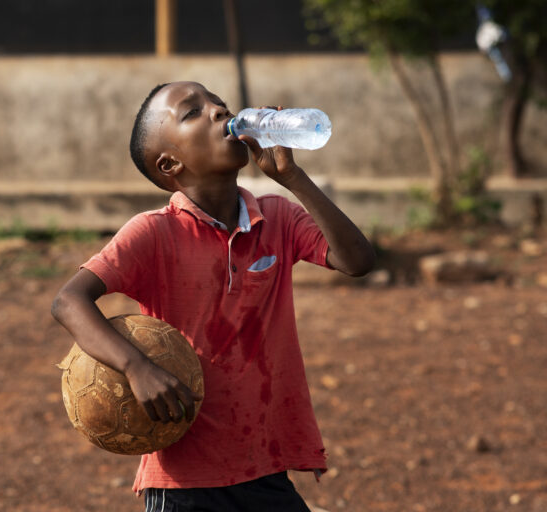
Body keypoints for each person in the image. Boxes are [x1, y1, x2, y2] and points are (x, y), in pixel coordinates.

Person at [51, 81, 375, 511]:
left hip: (265, 464)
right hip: (183, 480)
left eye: (218, 103)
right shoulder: (153, 233)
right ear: (170, 164)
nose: (220, 111)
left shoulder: (276, 217)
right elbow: (69, 301)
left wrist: (293, 178)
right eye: (193, 112)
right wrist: (136, 368)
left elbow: (356, 261)